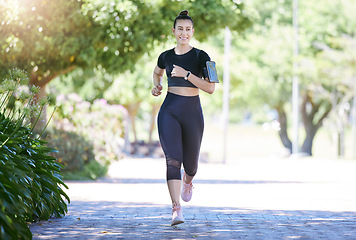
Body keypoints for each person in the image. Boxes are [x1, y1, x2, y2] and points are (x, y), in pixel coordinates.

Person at [151, 10, 215, 226]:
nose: (184, 33)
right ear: (174, 31)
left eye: (188, 29)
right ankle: (175, 209)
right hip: (169, 110)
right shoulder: (165, 56)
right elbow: (157, 72)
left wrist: (187, 75)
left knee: (191, 166)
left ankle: (189, 181)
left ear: (192, 31)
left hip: (192, 112)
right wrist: (157, 85)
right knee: (172, 160)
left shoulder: (202, 56)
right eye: (180, 29)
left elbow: (211, 88)